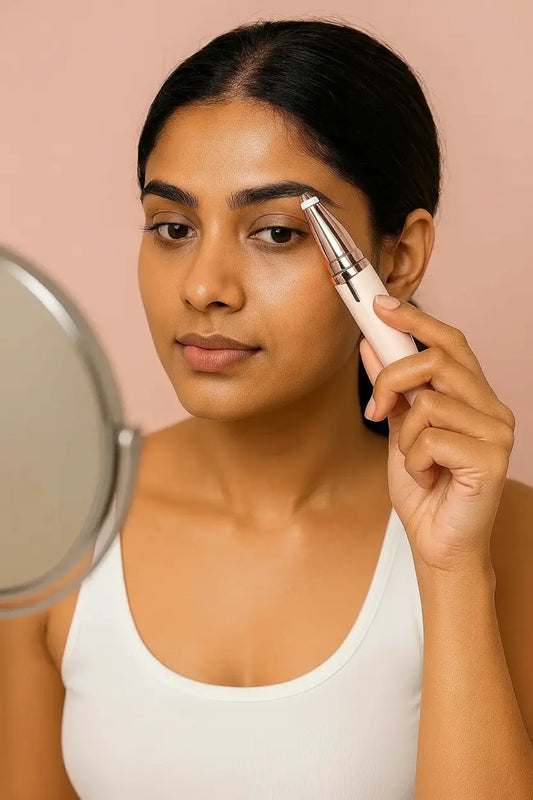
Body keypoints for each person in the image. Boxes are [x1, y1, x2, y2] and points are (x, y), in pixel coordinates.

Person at [2, 17, 531, 800]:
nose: (204, 286)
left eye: (276, 233)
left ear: (397, 259)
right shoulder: (57, 526)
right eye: (173, 227)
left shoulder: (505, 539)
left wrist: (451, 570)